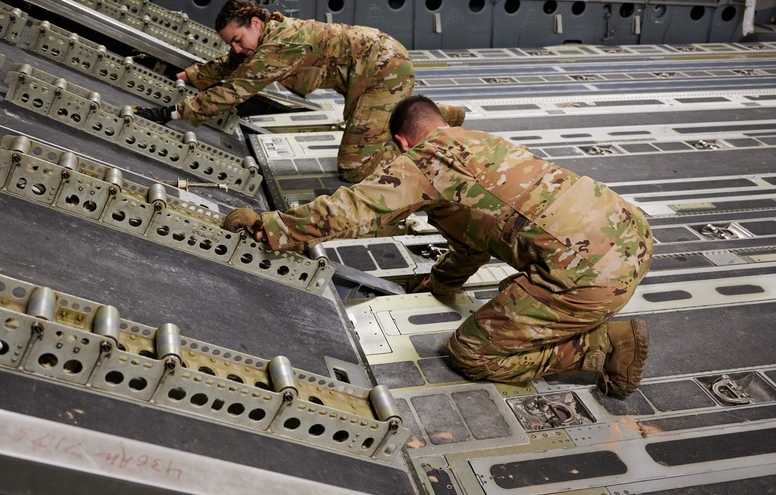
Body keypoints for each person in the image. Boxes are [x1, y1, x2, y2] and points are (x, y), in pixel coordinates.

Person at [223, 95, 653, 397]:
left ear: (403, 143)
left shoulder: (425, 159)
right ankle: (585, 322)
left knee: (472, 353)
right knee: (522, 286)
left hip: (590, 271)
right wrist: (440, 286)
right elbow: (473, 243)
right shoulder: (482, 144)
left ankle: (601, 345)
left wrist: (269, 226)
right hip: (631, 230)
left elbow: (351, 209)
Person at [134, 0, 464, 182]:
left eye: (237, 39)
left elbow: (236, 89)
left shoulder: (280, 45)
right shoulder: (266, 40)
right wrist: (186, 77)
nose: (236, 48)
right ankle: (428, 113)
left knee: (356, 167)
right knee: (367, 131)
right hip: (371, 72)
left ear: (256, 24)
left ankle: (428, 136)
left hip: (383, 71)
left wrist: (175, 112)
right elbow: (229, 66)